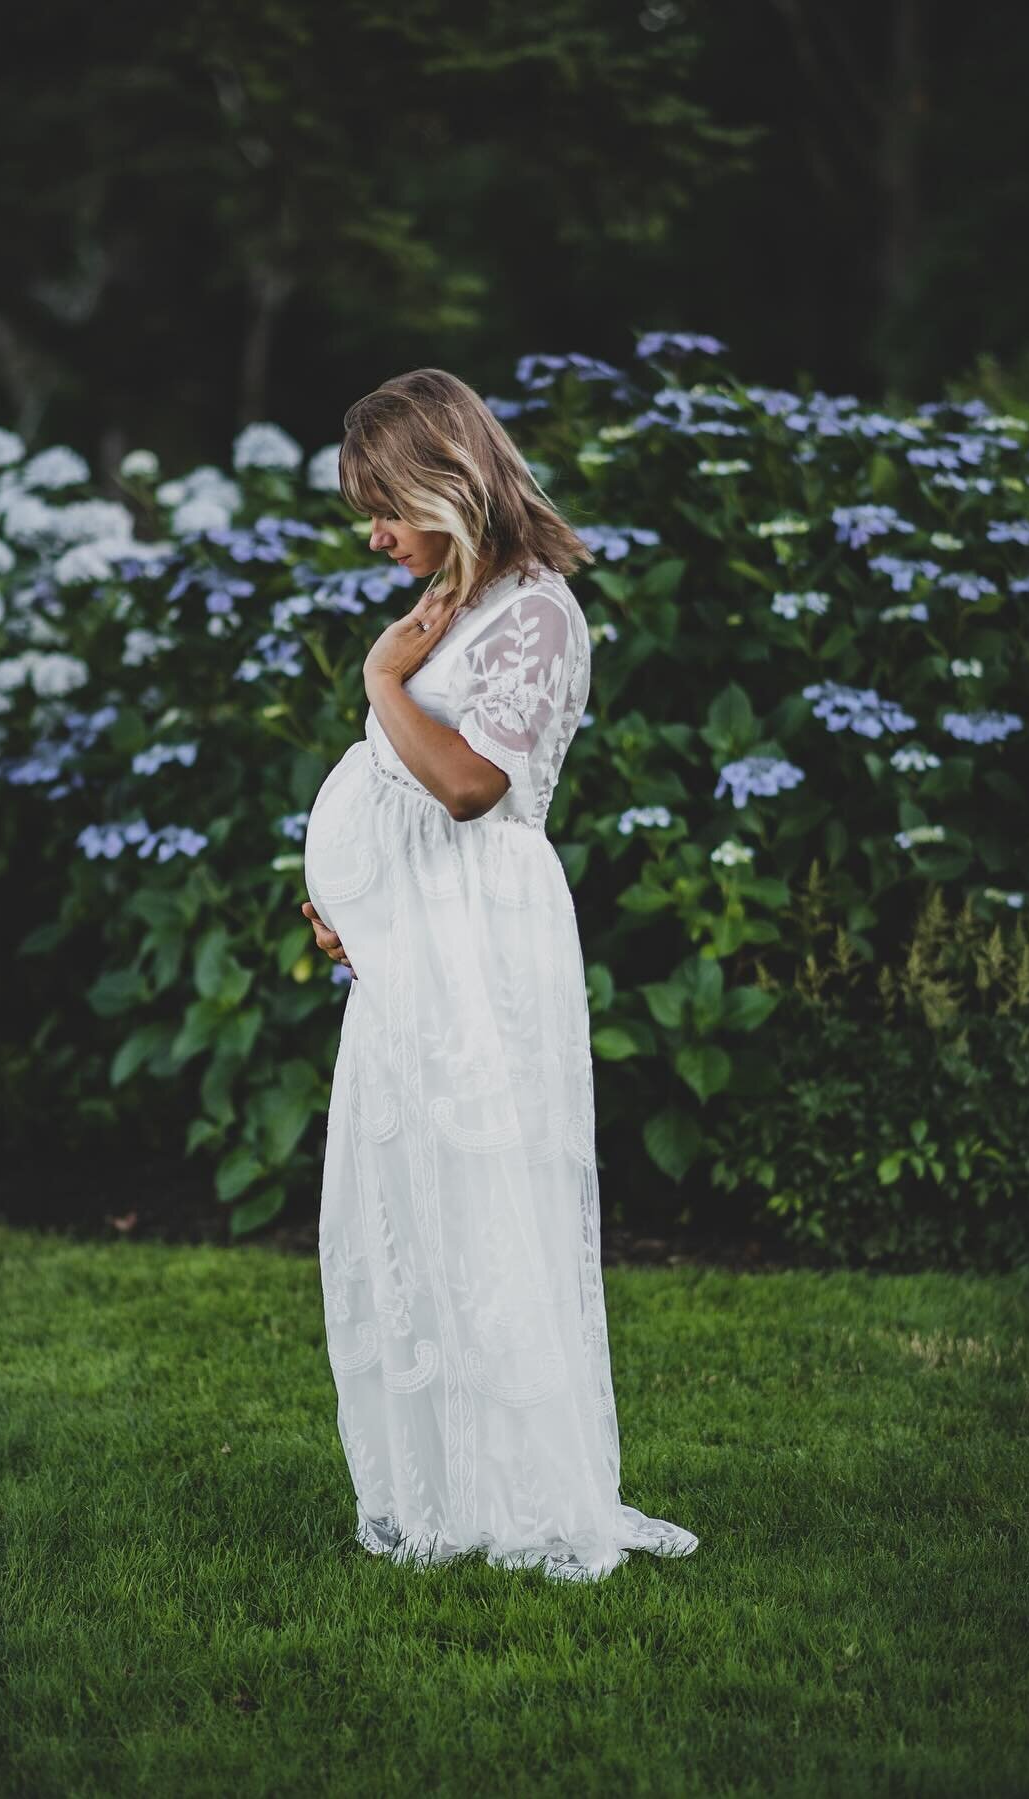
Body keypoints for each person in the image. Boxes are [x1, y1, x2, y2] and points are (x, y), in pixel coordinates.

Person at [300, 368, 699, 1583]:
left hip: (478, 940)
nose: (374, 534)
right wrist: (354, 901)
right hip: (419, 942)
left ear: (447, 483)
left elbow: (473, 785)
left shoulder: (535, 611)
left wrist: (377, 683)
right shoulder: (453, 603)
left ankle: (527, 1490)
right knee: (417, 1199)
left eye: (384, 505)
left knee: (485, 1200)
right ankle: (448, 1483)